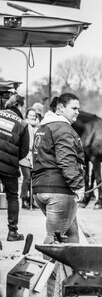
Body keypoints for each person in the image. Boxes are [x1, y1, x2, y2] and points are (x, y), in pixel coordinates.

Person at [32, 93, 85, 244]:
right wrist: (78, 185)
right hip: (59, 191)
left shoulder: (44, 127)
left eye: (78, 109)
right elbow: (66, 160)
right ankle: (50, 267)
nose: (77, 112)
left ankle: (72, 268)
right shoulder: (63, 129)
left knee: (71, 231)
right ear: (61, 108)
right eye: (74, 108)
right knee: (54, 238)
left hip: (41, 189)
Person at [0, 94, 30, 242]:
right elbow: (24, 151)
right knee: (12, 197)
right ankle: (12, 232)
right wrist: (11, 158)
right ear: (18, 105)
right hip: (10, 167)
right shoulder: (23, 124)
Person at [20, 108, 40, 210]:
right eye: (30, 115)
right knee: (27, 179)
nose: (32, 117)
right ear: (27, 116)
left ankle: (31, 200)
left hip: (34, 156)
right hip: (25, 155)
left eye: (34, 115)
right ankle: (24, 199)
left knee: (33, 180)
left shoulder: (37, 128)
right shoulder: (24, 126)